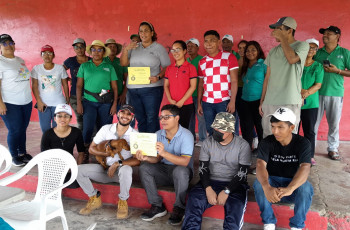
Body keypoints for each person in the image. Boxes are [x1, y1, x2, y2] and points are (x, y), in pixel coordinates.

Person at [182, 112, 251, 230]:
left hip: (234, 184)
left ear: (230, 131)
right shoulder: (208, 142)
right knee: (194, 199)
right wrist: (208, 189)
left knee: (235, 207)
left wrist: (227, 190)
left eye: (221, 130)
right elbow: (203, 169)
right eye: (215, 128)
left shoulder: (242, 145)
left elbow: (242, 173)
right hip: (211, 180)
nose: (217, 132)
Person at [253, 107, 313, 230]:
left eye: (280, 127)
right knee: (258, 184)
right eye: (273, 126)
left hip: (293, 185)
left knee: (306, 188)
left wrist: (291, 188)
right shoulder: (266, 142)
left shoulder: (303, 143)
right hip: (272, 184)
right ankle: (268, 223)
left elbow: (305, 167)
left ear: (291, 127)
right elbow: (260, 164)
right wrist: (266, 186)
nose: (275, 131)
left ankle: (297, 226)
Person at [77, 104, 139, 219]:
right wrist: (106, 154)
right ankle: (94, 197)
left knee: (126, 169)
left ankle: (123, 201)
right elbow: (91, 148)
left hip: (121, 173)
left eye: (128, 114)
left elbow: (137, 161)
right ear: (118, 113)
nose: (125, 116)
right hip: (104, 168)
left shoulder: (135, 135)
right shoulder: (106, 128)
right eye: (123, 112)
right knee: (77, 170)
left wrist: (117, 164)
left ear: (132, 117)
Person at [136, 104, 194, 225]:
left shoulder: (187, 135)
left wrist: (164, 153)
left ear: (177, 118)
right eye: (161, 118)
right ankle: (157, 206)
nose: (162, 120)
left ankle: (179, 208)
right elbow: (157, 159)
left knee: (180, 171)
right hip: (164, 171)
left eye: (167, 117)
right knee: (144, 167)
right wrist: (146, 158)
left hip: (181, 172)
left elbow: (185, 162)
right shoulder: (158, 134)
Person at [259, 17, 309, 137]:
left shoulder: (302, 45)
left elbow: (292, 59)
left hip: (290, 100)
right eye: (275, 29)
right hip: (270, 100)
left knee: (288, 136)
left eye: (279, 29)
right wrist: (262, 101)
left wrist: (282, 38)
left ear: (290, 30)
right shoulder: (273, 51)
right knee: (269, 135)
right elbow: (267, 77)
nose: (275, 32)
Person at [121, 21, 171, 133]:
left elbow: (167, 67)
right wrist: (126, 50)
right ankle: (144, 145)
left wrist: (158, 77)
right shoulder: (134, 47)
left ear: (152, 33)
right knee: (140, 118)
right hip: (133, 90)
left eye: (146, 31)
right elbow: (123, 63)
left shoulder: (159, 48)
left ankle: (153, 145)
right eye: (141, 31)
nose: (143, 34)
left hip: (152, 89)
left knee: (151, 118)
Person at [76, 40, 118, 161]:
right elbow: (79, 86)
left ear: (103, 52)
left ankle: (102, 153)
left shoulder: (109, 67)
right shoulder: (84, 66)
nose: (96, 52)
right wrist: (79, 103)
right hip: (88, 102)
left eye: (99, 49)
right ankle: (85, 152)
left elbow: (115, 87)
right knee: (88, 128)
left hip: (106, 103)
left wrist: (114, 104)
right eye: (93, 49)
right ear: (90, 52)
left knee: (104, 128)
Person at [314, 26, 350, 161]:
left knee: (334, 123)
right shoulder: (318, 53)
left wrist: (338, 71)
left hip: (335, 93)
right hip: (316, 92)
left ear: (338, 36)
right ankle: (310, 148)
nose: (325, 36)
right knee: (313, 123)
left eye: (329, 33)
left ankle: (333, 148)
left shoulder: (345, 53)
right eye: (324, 34)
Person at [197, 30, 239, 136]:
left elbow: (234, 81)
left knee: (225, 132)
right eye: (206, 41)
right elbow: (201, 84)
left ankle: (227, 152)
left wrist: (232, 101)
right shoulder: (202, 61)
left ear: (219, 42)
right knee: (211, 131)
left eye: (212, 40)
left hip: (224, 101)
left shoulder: (229, 57)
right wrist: (199, 103)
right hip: (207, 102)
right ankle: (215, 152)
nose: (208, 44)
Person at [0, 34, 33, 166]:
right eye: (5, 43)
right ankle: (13, 156)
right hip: (9, 102)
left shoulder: (19, 60)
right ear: (0, 47)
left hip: (26, 101)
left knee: (22, 128)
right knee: (15, 129)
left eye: (11, 42)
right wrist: (0, 103)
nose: (9, 45)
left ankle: (22, 153)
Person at [31, 45, 69, 133]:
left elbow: (65, 84)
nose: (47, 55)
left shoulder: (60, 68)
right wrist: (39, 101)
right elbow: (34, 86)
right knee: (45, 129)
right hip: (43, 104)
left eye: (49, 53)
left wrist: (67, 98)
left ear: (53, 55)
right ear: (41, 55)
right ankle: (48, 146)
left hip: (59, 103)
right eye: (44, 53)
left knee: (58, 129)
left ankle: (57, 146)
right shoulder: (36, 69)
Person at [299, 39, 324, 165]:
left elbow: (318, 85)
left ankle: (309, 156)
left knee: (309, 131)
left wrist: (305, 93)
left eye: (314, 48)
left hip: (311, 103)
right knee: (294, 130)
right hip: (295, 101)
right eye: (309, 47)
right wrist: (299, 91)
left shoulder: (318, 66)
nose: (311, 50)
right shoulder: (297, 63)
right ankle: (295, 153)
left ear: (316, 51)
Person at [164, 40, 197, 129]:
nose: (175, 52)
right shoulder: (169, 68)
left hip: (186, 104)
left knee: (183, 128)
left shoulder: (191, 67)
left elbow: (193, 86)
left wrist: (182, 101)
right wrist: (170, 100)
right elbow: (166, 85)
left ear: (184, 51)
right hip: (172, 104)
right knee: (171, 128)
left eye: (178, 49)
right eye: (173, 50)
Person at [240, 41, 266, 148]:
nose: (250, 53)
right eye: (247, 51)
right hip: (244, 101)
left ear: (258, 51)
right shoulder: (245, 65)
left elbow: (268, 83)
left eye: (253, 50)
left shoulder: (264, 64)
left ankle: (262, 154)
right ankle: (246, 153)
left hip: (258, 101)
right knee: (246, 129)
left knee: (261, 128)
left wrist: (263, 101)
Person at [63, 38, 91, 130]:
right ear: (74, 49)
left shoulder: (91, 61)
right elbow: (59, 71)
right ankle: (81, 141)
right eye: (76, 47)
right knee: (80, 119)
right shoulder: (70, 61)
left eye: (81, 47)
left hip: (90, 95)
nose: (79, 49)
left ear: (85, 48)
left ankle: (88, 140)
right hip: (75, 96)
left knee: (89, 119)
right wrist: (68, 78)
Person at [186, 38, 207, 147]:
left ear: (197, 48)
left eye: (192, 46)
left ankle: (203, 139)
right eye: (188, 46)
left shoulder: (202, 60)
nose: (189, 48)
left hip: (200, 94)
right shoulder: (186, 61)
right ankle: (191, 138)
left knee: (201, 118)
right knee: (190, 118)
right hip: (188, 95)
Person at [222, 34, 241, 136]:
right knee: (225, 117)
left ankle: (236, 136)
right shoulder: (220, 56)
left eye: (228, 42)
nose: (225, 44)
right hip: (224, 92)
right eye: (224, 42)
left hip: (235, 89)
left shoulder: (237, 56)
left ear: (232, 43)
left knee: (235, 115)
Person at [104, 38, 128, 109]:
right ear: (106, 49)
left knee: (122, 117)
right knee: (106, 118)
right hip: (104, 96)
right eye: (110, 46)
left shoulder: (121, 62)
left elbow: (127, 80)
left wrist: (124, 94)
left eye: (114, 47)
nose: (112, 48)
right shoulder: (101, 61)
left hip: (119, 96)